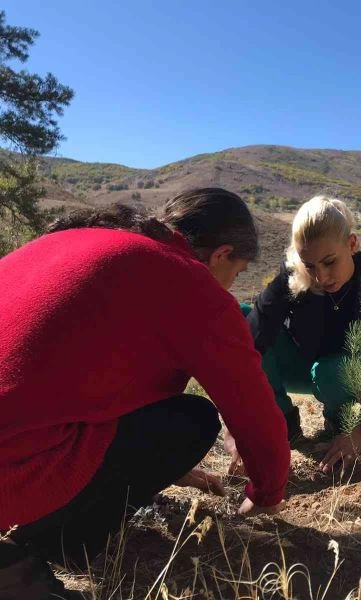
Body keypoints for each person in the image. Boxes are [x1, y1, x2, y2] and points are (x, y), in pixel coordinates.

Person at [0, 189, 290, 598]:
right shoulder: (188, 281)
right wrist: (266, 494)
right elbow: (255, 414)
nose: (232, 284)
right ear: (222, 254)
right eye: (238, 272)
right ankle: (55, 545)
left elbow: (64, 376)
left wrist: (156, 467)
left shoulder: (78, 240)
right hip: (9, 470)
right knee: (191, 421)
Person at [243, 196, 361, 475]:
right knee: (242, 320)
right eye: (310, 265)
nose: (321, 276)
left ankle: (340, 423)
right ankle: (284, 425)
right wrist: (242, 419)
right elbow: (256, 332)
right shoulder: (295, 273)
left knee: (330, 371)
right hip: (303, 365)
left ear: (351, 244)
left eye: (329, 262)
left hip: (347, 377)